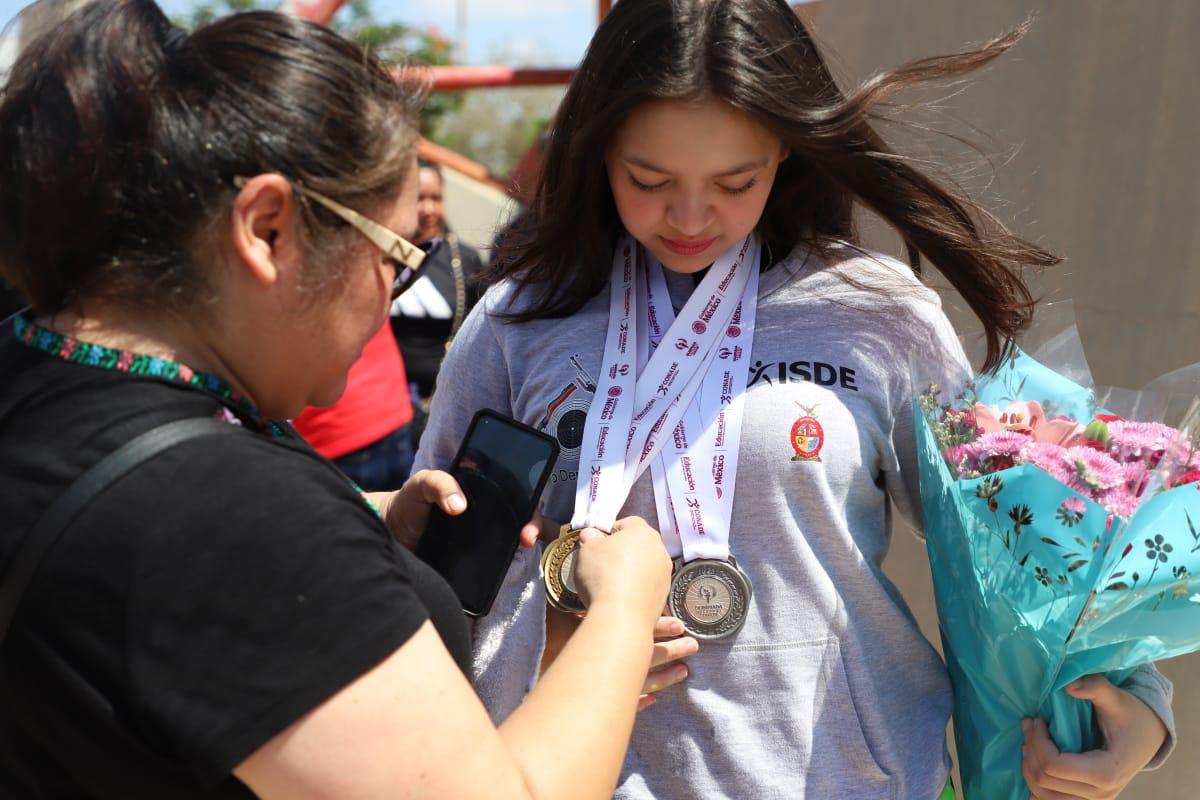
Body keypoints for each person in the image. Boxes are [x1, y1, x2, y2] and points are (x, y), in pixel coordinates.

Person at [414, 1, 1177, 799]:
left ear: (786, 148)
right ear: (597, 149)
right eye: (649, 180)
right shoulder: (518, 322)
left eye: (734, 182)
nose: (689, 216)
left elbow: (1012, 547)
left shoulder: (874, 312)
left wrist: (1138, 701)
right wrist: (553, 641)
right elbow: (433, 587)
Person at [0, 2, 689, 797]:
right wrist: (621, 611)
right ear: (267, 228)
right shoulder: (229, 520)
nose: (392, 299)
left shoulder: (34, 365)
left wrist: (364, 520)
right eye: (396, 257)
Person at [389, 159, 486, 447]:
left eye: (436, 198)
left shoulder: (464, 260)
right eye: (418, 198)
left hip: (432, 411)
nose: (428, 209)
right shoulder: (382, 251)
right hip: (376, 405)